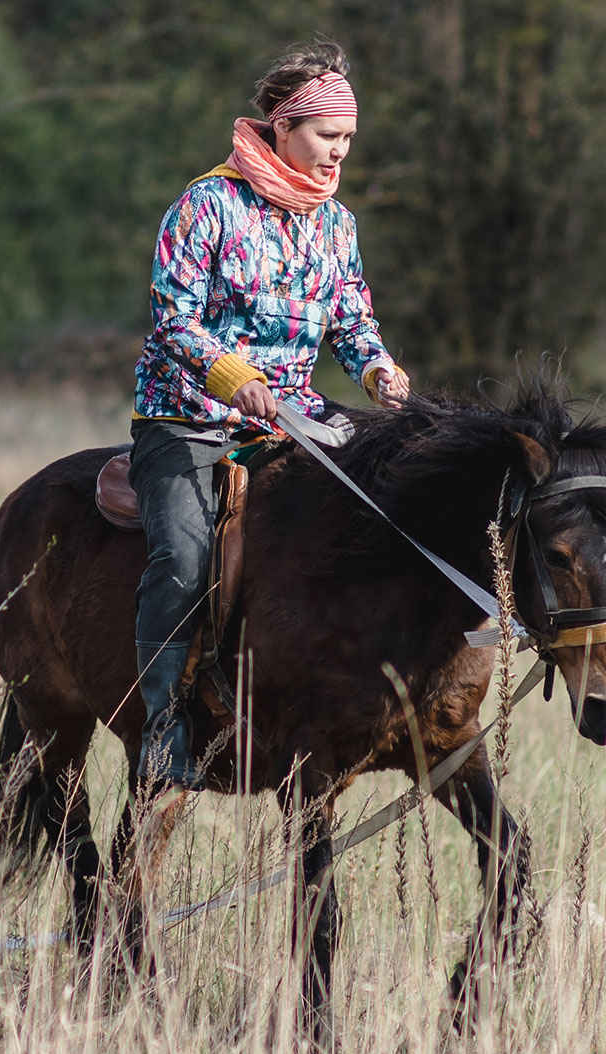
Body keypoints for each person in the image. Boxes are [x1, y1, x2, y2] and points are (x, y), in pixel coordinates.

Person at [128, 41, 411, 791]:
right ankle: (162, 730)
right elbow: (172, 321)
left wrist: (379, 371)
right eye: (327, 137)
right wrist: (234, 377)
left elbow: (353, 326)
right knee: (184, 559)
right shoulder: (206, 205)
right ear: (282, 127)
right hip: (185, 419)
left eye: (347, 141)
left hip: (297, 418)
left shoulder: (337, 224)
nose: (337, 154)